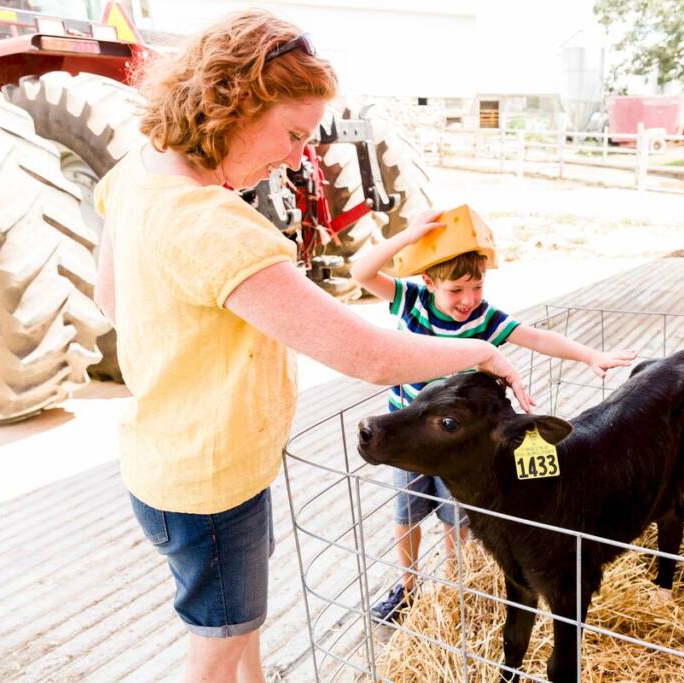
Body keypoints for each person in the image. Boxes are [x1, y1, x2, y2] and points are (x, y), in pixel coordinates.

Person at [92, 11, 532, 683]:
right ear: (233, 103)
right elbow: (370, 356)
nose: (300, 156)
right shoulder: (214, 225)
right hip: (213, 482)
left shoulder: (136, 177)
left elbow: (110, 301)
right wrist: (479, 353)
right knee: (213, 649)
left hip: (161, 461)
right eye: (294, 135)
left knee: (238, 621)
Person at [350, 211, 637, 623]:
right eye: (456, 289)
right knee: (406, 512)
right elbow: (361, 272)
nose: (469, 298)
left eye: (477, 285)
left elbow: (536, 337)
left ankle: (457, 583)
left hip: (460, 446)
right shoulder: (410, 301)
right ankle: (408, 585)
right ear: (429, 283)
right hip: (410, 438)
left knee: (457, 517)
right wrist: (407, 237)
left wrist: (589, 354)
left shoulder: (483, 318)